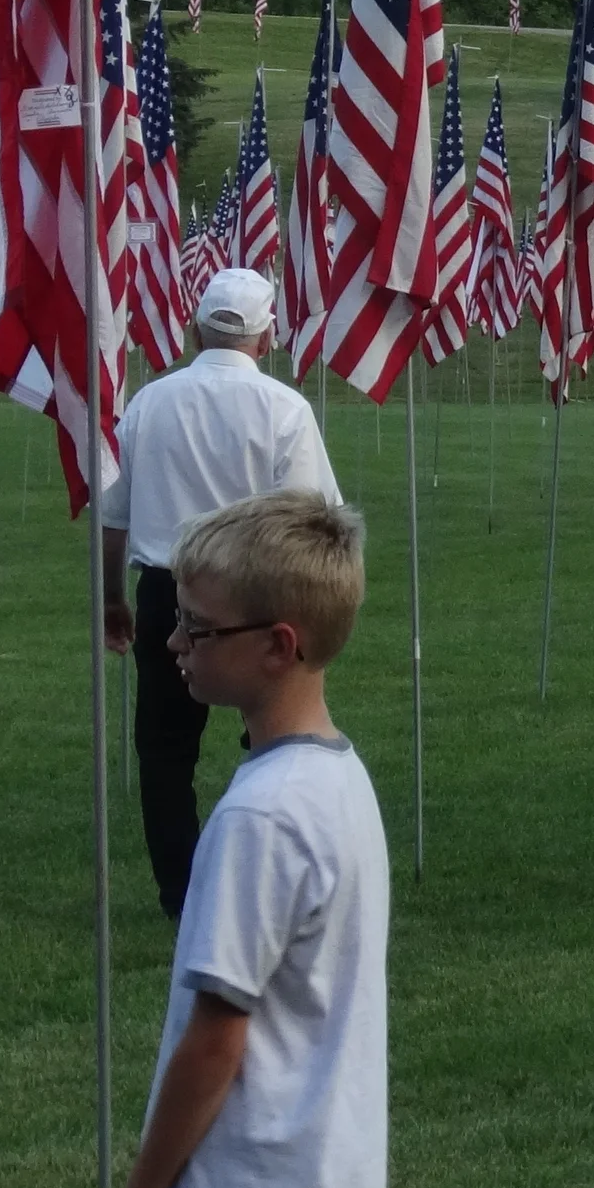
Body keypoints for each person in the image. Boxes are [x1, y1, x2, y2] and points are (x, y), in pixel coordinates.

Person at [110, 491, 388, 1188]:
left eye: (198, 628)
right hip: (313, 1176)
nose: (173, 642)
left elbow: (217, 1034)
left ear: (279, 646)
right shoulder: (339, 776)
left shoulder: (258, 815)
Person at [101, 267, 344, 922]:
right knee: (275, 735)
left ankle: (181, 894)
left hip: (167, 587)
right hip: (257, 590)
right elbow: (312, 516)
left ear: (195, 327)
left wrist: (111, 598)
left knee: (164, 748)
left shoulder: (150, 402)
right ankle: (270, 868)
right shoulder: (284, 408)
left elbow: (114, 515)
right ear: (266, 337)